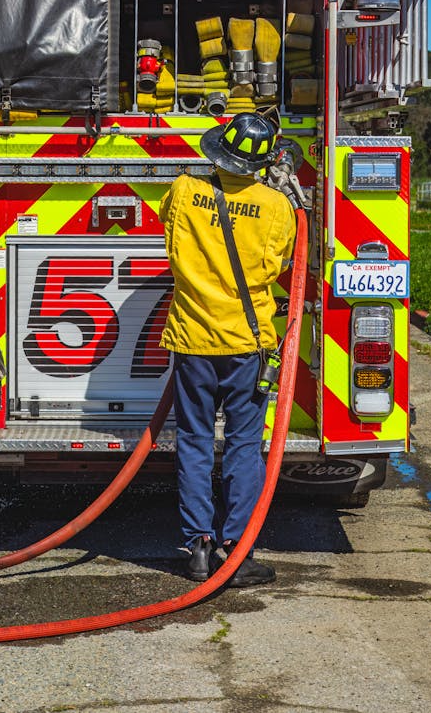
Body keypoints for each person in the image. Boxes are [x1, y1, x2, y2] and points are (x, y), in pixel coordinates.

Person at [159, 112, 296, 586]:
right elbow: (279, 265)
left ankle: (197, 548)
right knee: (243, 444)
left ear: (218, 149)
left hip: (192, 340)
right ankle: (236, 552)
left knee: (194, 441)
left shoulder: (182, 191)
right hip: (247, 344)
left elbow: (168, 233)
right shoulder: (277, 206)